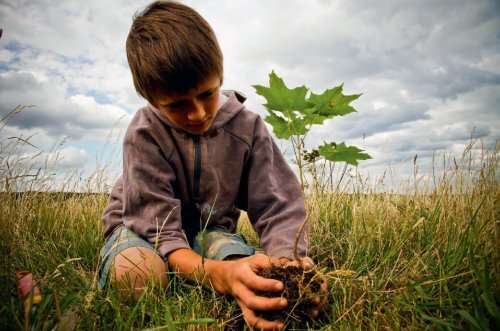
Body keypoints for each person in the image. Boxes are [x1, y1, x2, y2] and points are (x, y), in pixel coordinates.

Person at [98, 1, 326, 330]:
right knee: (138, 276)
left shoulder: (248, 128)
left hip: (210, 231)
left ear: (220, 74)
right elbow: (162, 233)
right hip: (146, 233)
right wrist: (216, 276)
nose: (197, 114)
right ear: (151, 99)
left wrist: (289, 267)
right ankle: (123, 260)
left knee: (253, 274)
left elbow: (278, 204)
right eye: (177, 105)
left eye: (207, 93)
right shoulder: (144, 133)